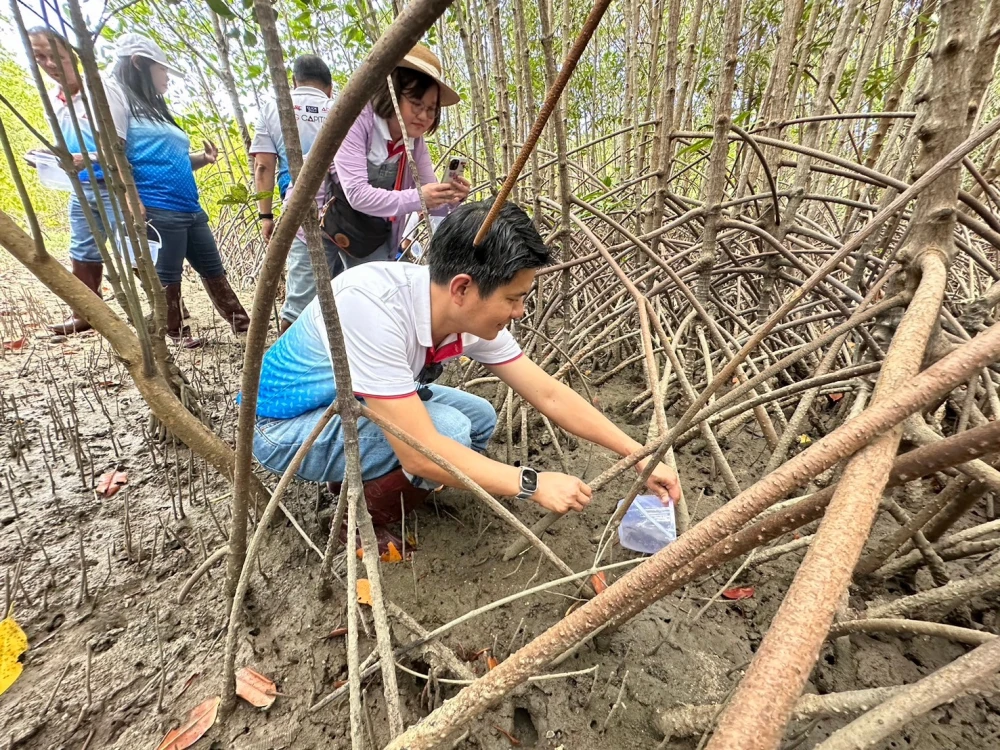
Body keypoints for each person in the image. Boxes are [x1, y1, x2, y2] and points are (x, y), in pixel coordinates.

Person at [250, 200, 681, 552]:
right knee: (449, 433)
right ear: (462, 288)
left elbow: (547, 393)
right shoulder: (371, 307)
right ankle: (359, 523)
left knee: (477, 417)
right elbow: (422, 454)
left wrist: (637, 452)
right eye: (513, 299)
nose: (520, 312)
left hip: (349, 406)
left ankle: (361, 479)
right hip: (287, 430)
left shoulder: (456, 309)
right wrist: (530, 484)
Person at [273, 43, 471, 332]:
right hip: (315, 221)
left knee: (374, 298)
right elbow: (356, 194)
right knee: (303, 305)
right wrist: (420, 197)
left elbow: (431, 198)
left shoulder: (414, 142)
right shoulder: (354, 119)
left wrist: (452, 197)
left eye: (431, 109)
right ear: (391, 92)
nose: (424, 116)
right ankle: (288, 368)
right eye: (416, 104)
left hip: (367, 231)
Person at [110, 33, 249, 347]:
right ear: (139, 64)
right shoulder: (116, 94)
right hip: (157, 204)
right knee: (168, 276)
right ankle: (176, 332)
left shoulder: (154, 108)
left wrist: (203, 158)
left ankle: (243, 325)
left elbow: (169, 158)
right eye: (164, 70)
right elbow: (114, 151)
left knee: (213, 267)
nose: (168, 77)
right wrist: (131, 200)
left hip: (189, 206)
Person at [28, 27, 129, 336]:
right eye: (40, 57)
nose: (49, 63)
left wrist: (88, 157)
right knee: (82, 250)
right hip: (81, 187)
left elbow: (119, 146)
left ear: (70, 52)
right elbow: (68, 146)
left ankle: (168, 311)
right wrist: (47, 154)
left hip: (116, 184)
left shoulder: (101, 90)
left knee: (134, 249)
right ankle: (86, 313)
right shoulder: (55, 101)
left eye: (54, 54)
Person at [250, 55, 342, 334]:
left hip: (300, 206)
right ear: (329, 87)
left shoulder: (273, 108)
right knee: (341, 284)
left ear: (293, 82)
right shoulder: (338, 106)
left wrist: (266, 215)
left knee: (302, 291)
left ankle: (294, 354)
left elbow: (263, 165)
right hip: (348, 208)